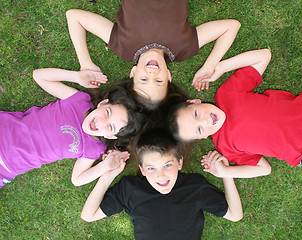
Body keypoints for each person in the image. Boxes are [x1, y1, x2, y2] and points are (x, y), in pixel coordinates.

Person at [168, 49, 302, 179]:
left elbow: (264, 56)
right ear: (203, 137)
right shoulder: (225, 147)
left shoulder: (227, 94)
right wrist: (225, 172)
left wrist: (221, 68)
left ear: (195, 102)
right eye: (199, 129)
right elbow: (264, 169)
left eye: (196, 114)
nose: (205, 121)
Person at [66, 0, 241, 106]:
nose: (152, 73)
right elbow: (231, 26)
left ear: (133, 72)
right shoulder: (182, 49)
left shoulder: (123, 48)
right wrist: (209, 66)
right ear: (168, 76)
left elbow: (74, 16)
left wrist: (85, 63)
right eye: (158, 81)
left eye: (143, 79)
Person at [80, 128, 243, 240]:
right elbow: (88, 215)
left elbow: (235, 215)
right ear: (142, 169)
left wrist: (225, 173)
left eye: (167, 165)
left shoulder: (194, 186)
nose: (161, 176)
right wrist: (108, 175)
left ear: (179, 162)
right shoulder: (130, 189)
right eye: (151, 168)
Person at [0, 68, 144, 188]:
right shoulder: (78, 101)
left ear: (111, 137)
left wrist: (105, 167)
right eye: (107, 112)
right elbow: (39, 76)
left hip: (7, 167)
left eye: (111, 127)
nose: (102, 121)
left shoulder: (94, 148)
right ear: (103, 103)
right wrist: (75, 77)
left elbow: (77, 179)